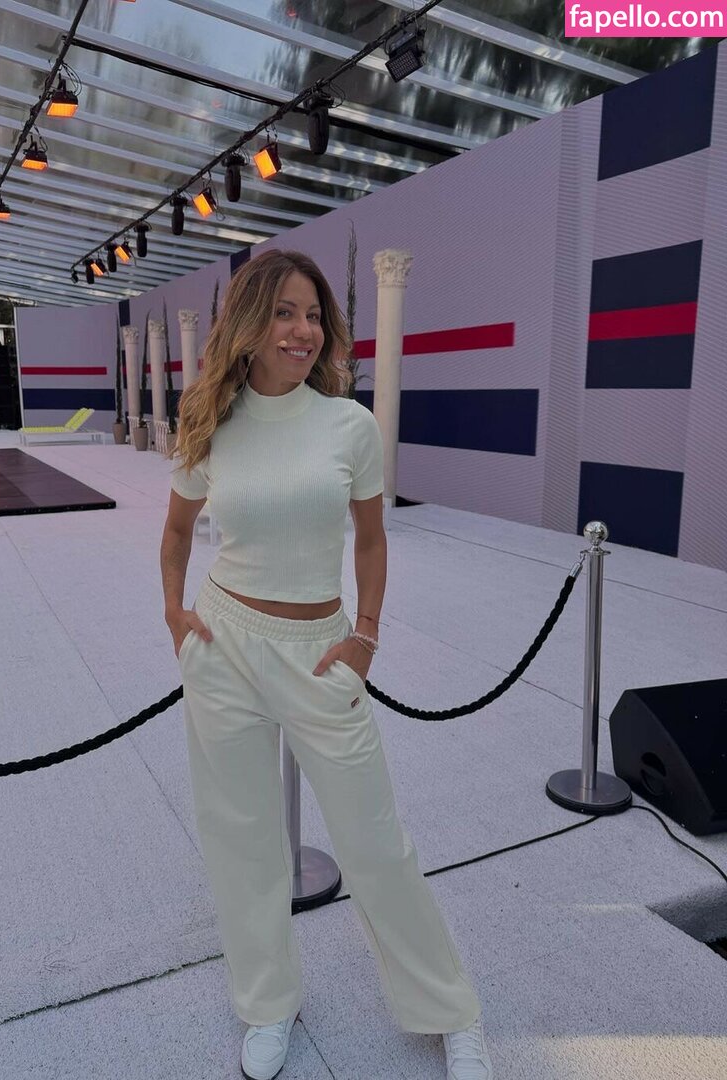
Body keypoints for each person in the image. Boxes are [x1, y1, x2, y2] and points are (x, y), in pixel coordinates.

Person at [160, 250, 493, 1080]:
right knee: (242, 844)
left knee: (376, 845)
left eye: (313, 315)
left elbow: (372, 542)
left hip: (322, 653)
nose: (302, 330)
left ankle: (451, 1011)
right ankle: (267, 1004)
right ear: (248, 325)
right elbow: (176, 532)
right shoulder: (209, 420)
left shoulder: (348, 425)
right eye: (283, 312)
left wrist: (365, 638)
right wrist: (176, 616)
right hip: (225, 645)